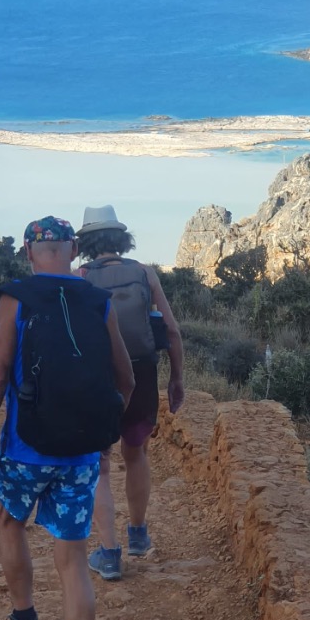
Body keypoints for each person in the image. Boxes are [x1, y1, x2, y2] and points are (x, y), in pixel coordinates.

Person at [0, 216, 135, 620]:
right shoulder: (98, 301)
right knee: (73, 559)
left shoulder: (16, 297)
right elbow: (127, 382)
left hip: (24, 451)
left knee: (10, 523)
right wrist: (102, 438)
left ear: (29, 252)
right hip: (80, 455)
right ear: (73, 249)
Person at [76, 205, 185, 581]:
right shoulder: (144, 273)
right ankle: (137, 535)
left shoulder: (81, 277)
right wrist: (176, 379)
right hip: (141, 373)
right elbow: (171, 331)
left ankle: (108, 555)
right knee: (136, 454)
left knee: (100, 464)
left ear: (86, 241)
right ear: (122, 239)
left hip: (99, 379)